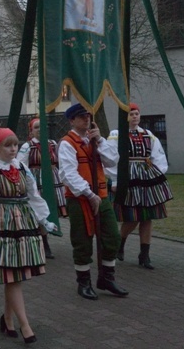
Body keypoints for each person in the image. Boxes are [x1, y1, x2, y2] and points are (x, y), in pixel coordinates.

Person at [0, 128, 57, 344]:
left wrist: (44, 218)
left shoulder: (22, 167)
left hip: (23, 223)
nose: (13, 149)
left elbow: (33, 195)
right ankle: (25, 325)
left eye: (15, 145)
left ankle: (8, 318)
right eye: (8, 145)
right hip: (3, 225)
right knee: (13, 276)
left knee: (14, 275)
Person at [58, 103, 128, 300]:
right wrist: (89, 194)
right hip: (80, 198)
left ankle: (107, 277)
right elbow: (68, 174)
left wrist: (99, 141)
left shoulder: (96, 140)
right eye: (81, 116)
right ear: (72, 120)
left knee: (112, 237)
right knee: (82, 240)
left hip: (102, 196)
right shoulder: (67, 143)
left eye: (87, 115)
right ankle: (84, 281)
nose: (86, 119)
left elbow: (113, 161)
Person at [106, 103, 173, 269]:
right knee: (133, 216)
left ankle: (145, 255)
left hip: (146, 177)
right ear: (125, 117)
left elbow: (158, 155)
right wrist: (114, 180)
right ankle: (120, 244)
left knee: (147, 216)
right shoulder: (117, 135)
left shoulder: (148, 135)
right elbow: (111, 159)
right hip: (128, 178)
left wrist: (158, 173)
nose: (134, 116)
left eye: (136, 113)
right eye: (131, 114)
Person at [18, 118, 67, 259]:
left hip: (52, 179)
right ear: (31, 131)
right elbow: (22, 166)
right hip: (36, 180)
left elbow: (60, 161)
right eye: (36, 127)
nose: (40, 129)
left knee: (49, 210)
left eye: (42, 127)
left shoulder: (52, 143)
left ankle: (43, 240)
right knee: (39, 210)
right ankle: (43, 243)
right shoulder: (28, 146)